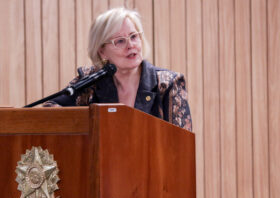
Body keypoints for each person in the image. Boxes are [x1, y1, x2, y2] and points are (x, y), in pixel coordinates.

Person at [43, 7, 192, 131]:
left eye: (134, 37)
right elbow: (50, 108)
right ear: (102, 51)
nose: (130, 45)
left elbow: (182, 145)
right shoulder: (91, 80)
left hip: (153, 165)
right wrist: (88, 128)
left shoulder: (167, 84)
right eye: (120, 41)